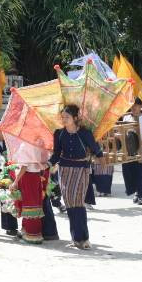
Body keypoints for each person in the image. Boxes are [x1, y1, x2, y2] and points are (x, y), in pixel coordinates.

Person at [50, 104, 103, 248]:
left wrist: (98, 155)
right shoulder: (59, 133)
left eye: (67, 117)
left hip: (81, 170)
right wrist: (48, 164)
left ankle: (84, 239)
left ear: (75, 118)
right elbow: (56, 154)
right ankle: (76, 239)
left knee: (78, 201)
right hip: (65, 170)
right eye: (63, 117)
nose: (64, 119)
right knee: (69, 203)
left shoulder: (85, 133)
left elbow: (96, 149)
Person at [121, 100, 142, 205]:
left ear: (140, 107)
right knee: (128, 170)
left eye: (136, 106)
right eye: (132, 106)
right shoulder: (126, 118)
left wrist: (137, 147)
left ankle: (140, 195)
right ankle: (135, 192)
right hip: (128, 149)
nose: (133, 108)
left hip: (140, 148)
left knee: (140, 172)